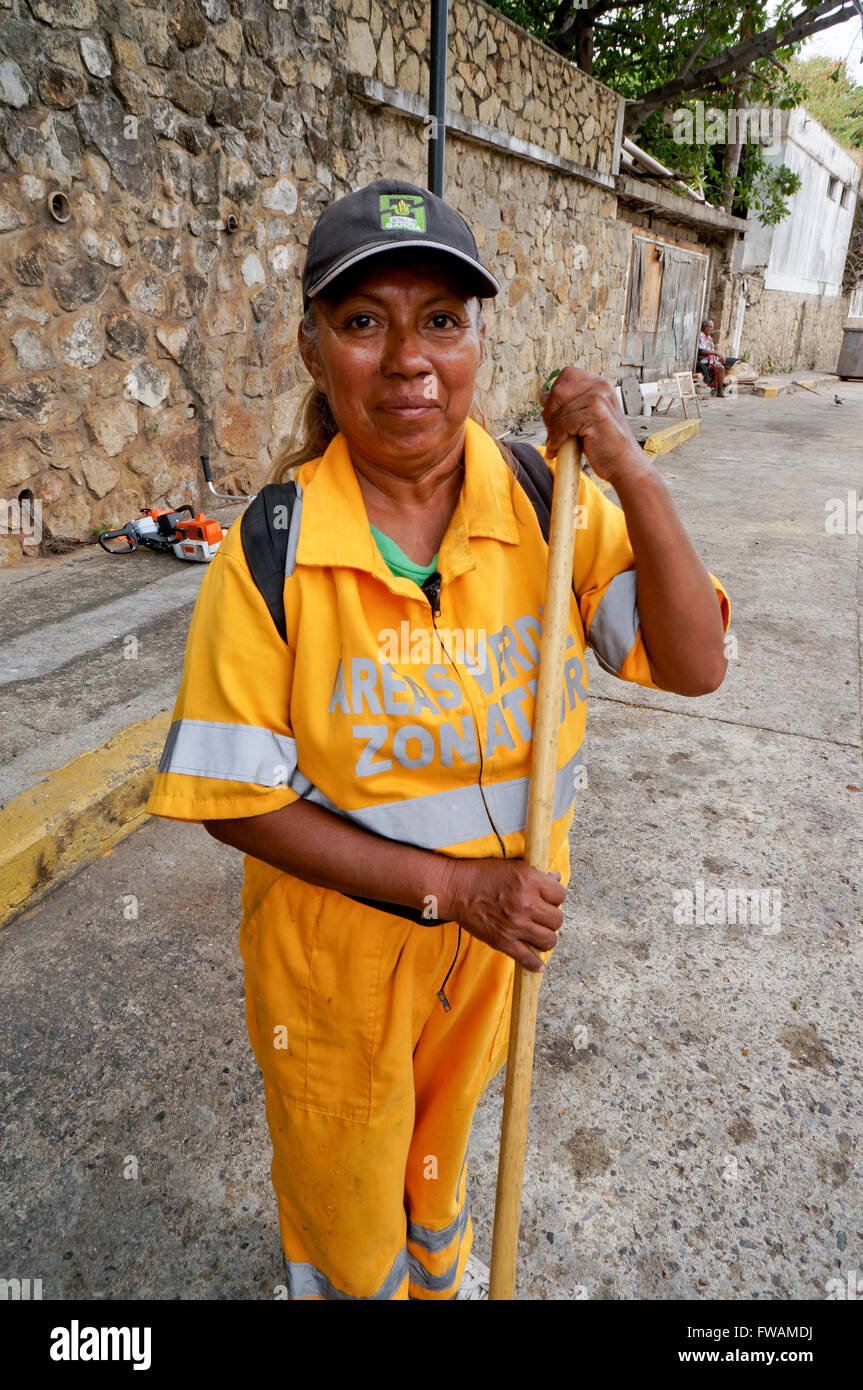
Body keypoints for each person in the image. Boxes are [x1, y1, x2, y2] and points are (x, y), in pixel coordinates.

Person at [146, 177, 730, 1301]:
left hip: (489, 961)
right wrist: (454, 889)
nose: (408, 360)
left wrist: (628, 465)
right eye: (364, 321)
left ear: (475, 344)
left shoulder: (545, 500)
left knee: (437, 1176)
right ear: (313, 350)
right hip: (333, 972)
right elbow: (236, 803)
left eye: (442, 320)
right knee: (347, 1206)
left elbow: (696, 664)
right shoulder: (270, 547)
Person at [697, 319, 738, 398]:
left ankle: (718, 385)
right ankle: (720, 390)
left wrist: (718, 356)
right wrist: (717, 353)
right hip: (702, 359)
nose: (709, 329)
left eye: (711, 327)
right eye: (707, 327)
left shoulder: (709, 338)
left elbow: (712, 351)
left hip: (710, 359)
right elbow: (702, 350)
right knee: (721, 368)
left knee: (725, 363)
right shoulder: (701, 335)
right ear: (703, 327)